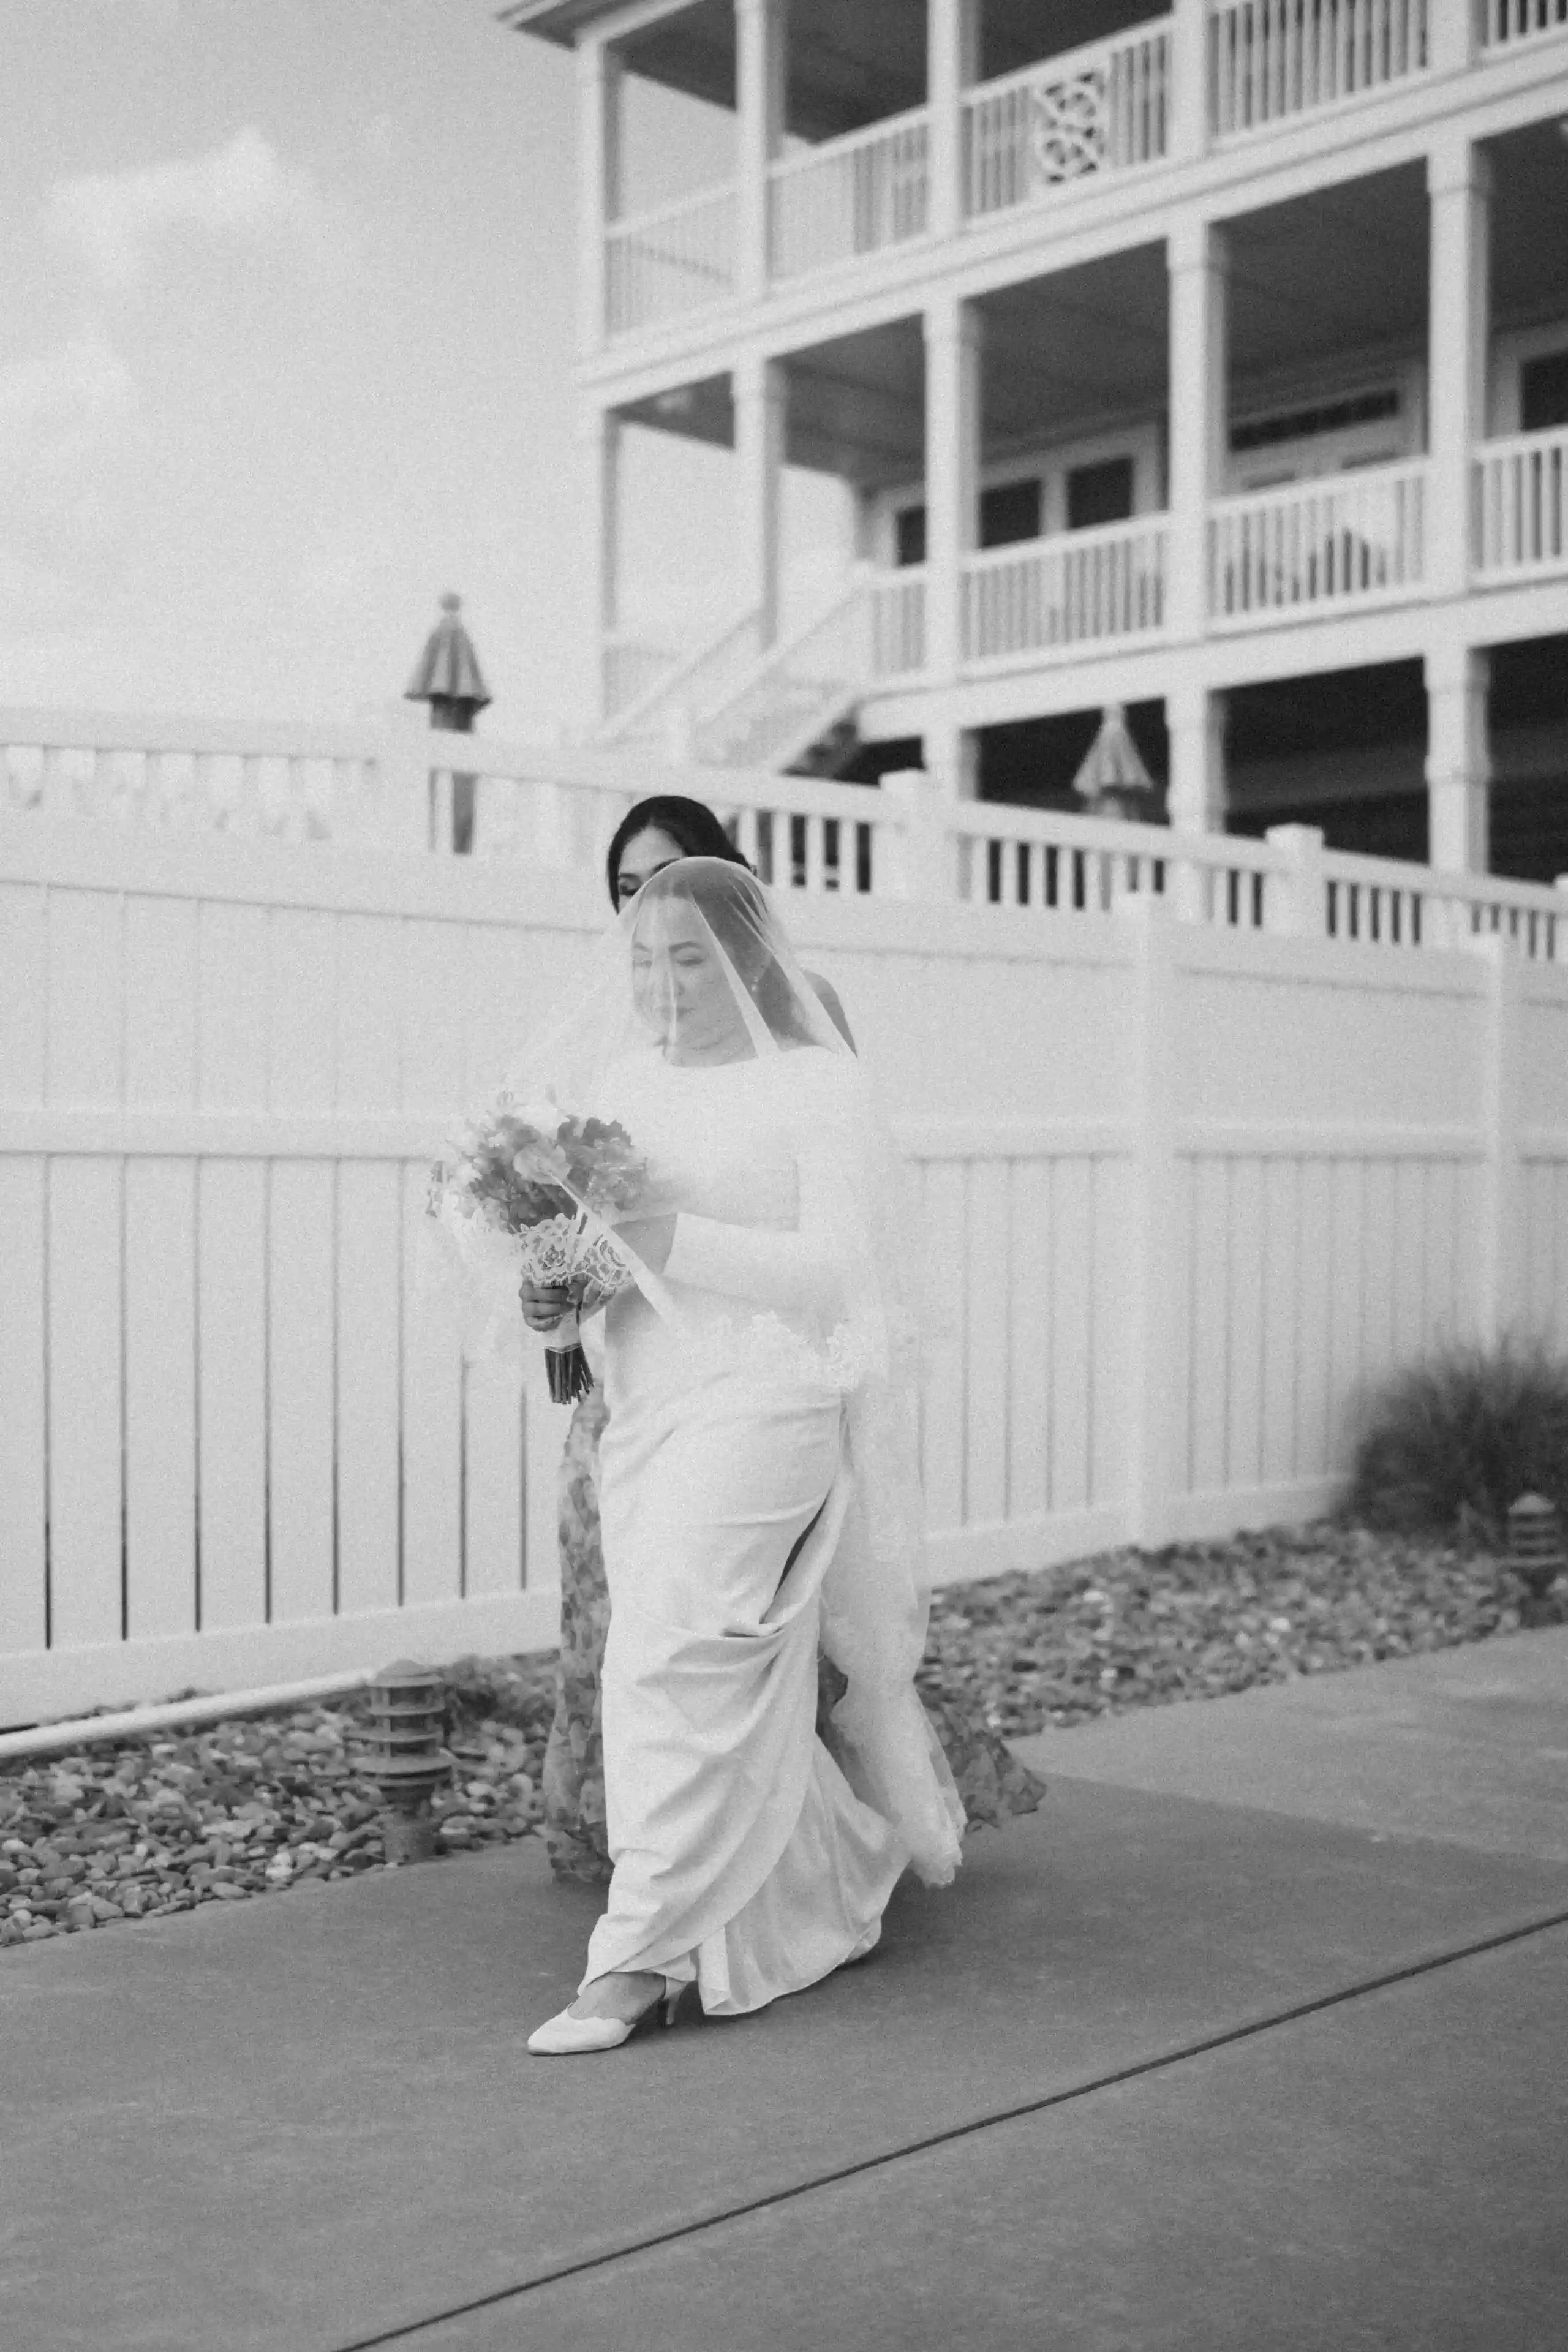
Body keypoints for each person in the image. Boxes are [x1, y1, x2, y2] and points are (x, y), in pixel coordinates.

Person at [533, 797, 1041, 1894]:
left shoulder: (808, 1031)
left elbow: (836, 1231)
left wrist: (675, 1248)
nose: (648, 910)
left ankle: (779, 1863)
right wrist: (562, 1288)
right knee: (624, 1620)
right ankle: (644, 1846)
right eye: (627, 892)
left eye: (672, 880)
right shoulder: (628, 1046)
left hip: (767, 1383)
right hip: (637, 1378)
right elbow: (598, 1210)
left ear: (733, 885)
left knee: (751, 1629)